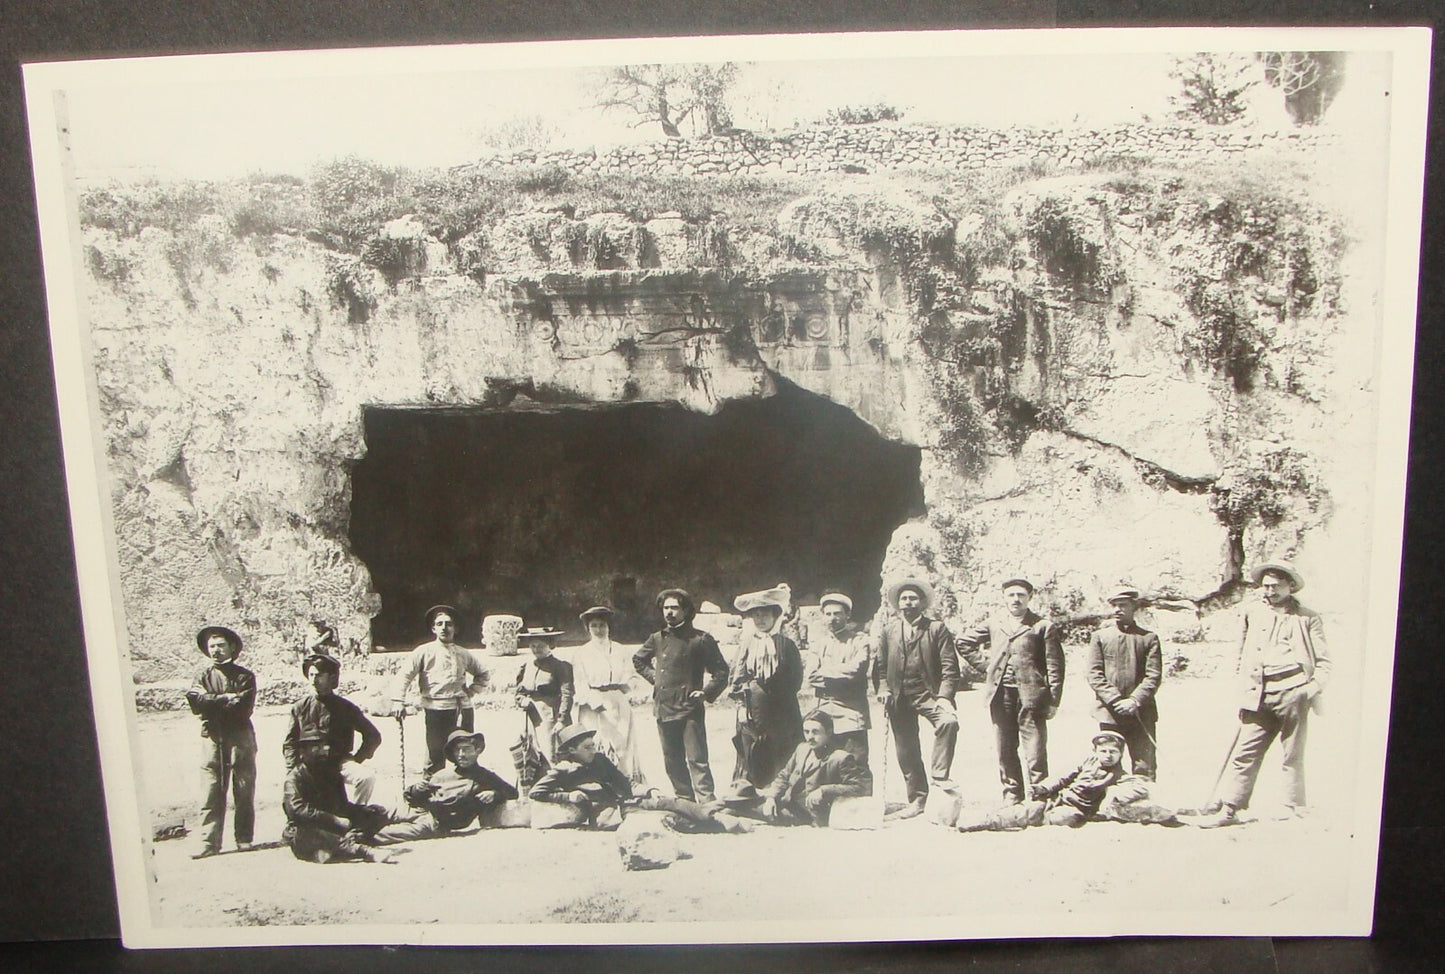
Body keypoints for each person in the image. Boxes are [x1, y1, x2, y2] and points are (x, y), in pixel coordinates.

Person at [1191, 561, 1331, 828]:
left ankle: (1293, 807)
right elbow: (1242, 654)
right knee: (1245, 752)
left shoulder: (1308, 617)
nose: (1269, 592)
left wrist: (1310, 689)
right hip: (1259, 694)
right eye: (1265, 586)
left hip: (1293, 693)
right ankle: (1230, 808)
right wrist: (1244, 694)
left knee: (1292, 753)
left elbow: (1324, 662)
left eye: (1276, 587)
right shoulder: (1252, 613)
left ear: (1290, 587)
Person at [957, 577, 1065, 806]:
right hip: (1000, 694)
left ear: (1029, 598)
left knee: (1035, 748)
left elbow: (1055, 665)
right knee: (1005, 747)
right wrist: (989, 667)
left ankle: (1040, 795)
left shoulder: (1043, 626)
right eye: (1011, 595)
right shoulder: (994, 624)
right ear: (1004, 598)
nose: (1016, 600)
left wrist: (1053, 700)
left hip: (1032, 696)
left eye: (1021, 595)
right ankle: (1012, 794)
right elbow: (964, 642)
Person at [529, 725, 749, 832]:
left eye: (593, 745)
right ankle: (720, 817)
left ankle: (718, 812)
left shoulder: (600, 760)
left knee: (668, 801)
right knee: (666, 817)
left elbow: (625, 783)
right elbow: (535, 792)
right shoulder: (563, 770)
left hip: (626, 802)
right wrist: (568, 796)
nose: (593, 750)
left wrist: (649, 790)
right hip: (608, 814)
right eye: (587, 747)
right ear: (572, 750)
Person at [872, 577, 960, 820]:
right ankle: (917, 800)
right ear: (897, 604)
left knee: (948, 723)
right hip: (899, 696)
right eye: (904, 599)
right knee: (907, 750)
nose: (908, 603)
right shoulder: (888, 631)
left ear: (922, 603)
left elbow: (950, 667)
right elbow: (880, 667)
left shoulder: (936, 629)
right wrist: (883, 689)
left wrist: (944, 697)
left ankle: (940, 777)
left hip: (928, 693)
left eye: (913, 598)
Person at [633, 588, 731, 803]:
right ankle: (685, 801)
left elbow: (722, 671)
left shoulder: (701, 639)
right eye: (666, 608)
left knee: (697, 759)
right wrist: (656, 680)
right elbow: (638, 660)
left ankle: (707, 803)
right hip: (664, 706)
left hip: (689, 707)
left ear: (686, 610)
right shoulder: (657, 638)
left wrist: (705, 692)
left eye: (675, 608)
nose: (669, 612)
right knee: (672, 759)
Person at [955, 730, 1152, 831]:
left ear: (1121, 754)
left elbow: (1139, 788)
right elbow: (1062, 777)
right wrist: (1043, 787)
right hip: (1058, 798)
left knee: (1062, 819)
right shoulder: (1086, 761)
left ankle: (1037, 820)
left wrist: (1113, 800)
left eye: (1113, 752)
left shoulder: (1120, 776)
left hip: (1077, 809)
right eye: (1103, 751)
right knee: (1025, 811)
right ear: (1095, 751)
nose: (1108, 756)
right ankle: (981, 822)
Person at [390, 605, 490, 777]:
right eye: (440, 624)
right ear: (433, 628)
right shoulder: (423, 652)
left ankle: (467, 791)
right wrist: (398, 701)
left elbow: (483, 674)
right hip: (436, 710)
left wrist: (471, 691)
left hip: (462, 709)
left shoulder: (463, 653)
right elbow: (404, 675)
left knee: (465, 752)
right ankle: (431, 793)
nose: (444, 627)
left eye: (449, 624)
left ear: (455, 628)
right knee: (435, 756)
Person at [185, 625, 257, 859]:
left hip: (240, 736)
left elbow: (242, 707)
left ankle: (244, 838)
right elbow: (196, 702)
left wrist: (211, 702)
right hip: (212, 737)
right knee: (211, 789)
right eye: (211, 646)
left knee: (243, 786)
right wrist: (225, 698)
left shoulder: (245, 677)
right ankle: (209, 843)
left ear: (232, 648)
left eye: (221, 645)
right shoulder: (202, 677)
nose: (216, 650)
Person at [373, 729, 519, 843]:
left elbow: (513, 792)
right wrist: (417, 789)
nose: (461, 754)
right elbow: (412, 799)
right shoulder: (442, 775)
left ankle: (355, 844)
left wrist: (495, 794)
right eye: (457, 750)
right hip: (417, 811)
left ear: (477, 750)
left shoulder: (484, 777)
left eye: (467, 749)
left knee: (381, 835)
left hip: (435, 825)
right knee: (374, 813)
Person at [281, 732, 406, 863]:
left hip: (333, 827)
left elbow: (342, 804)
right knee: (305, 834)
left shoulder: (330, 772)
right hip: (308, 829)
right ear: (303, 752)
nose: (323, 751)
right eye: (316, 747)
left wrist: (360, 812)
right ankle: (363, 851)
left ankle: (331, 851)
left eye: (324, 746)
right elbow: (297, 810)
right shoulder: (294, 778)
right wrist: (334, 820)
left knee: (369, 815)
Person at [726, 587, 805, 794]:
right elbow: (737, 677)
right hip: (754, 710)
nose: (760, 619)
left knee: (783, 751)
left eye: (765, 614)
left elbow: (796, 679)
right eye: (756, 615)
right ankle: (750, 796)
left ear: (775, 616)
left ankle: (783, 796)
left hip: (782, 711)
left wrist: (776, 693)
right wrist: (743, 704)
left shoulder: (786, 644)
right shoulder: (747, 644)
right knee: (753, 752)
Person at [282, 651, 383, 803]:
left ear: (332, 678)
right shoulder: (299, 707)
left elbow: (373, 736)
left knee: (366, 778)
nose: (314, 680)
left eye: (319, 676)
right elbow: (290, 743)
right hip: (309, 765)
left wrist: (357, 759)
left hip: (338, 763)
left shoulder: (346, 708)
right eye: (311, 675)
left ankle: (359, 814)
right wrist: (292, 769)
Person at [1085, 586, 1163, 780]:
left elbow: (1153, 676)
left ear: (1134, 607)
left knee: (1144, 764)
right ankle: (1112, 807)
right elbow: (1094, 674)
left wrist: (1134, 701)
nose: (1117, 610)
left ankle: (1145, 806)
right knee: (1109, 763)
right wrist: (1115, 700)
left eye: (1123, 605)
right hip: (1110, 713)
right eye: (1115, 605)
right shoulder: (1100, 637)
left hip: (1141, 712)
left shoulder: (1149, 638)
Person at [570, 606, 643, 783]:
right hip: (593, 703)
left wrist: (624, 690)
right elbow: (579, 682)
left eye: (602, 625)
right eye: (594, 626)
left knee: (622, 743)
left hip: (617, 700)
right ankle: (601, 782)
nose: (599, 630)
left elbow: (631, 675)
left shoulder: (620, 650)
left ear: (608, 627)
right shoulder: (581, 653)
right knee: (598, 743)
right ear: (588, 628)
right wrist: (594, 701)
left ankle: (625, 782)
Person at [759, 711, 869, 827]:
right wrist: (771, 797)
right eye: (806, 732)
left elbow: (862, 787)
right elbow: (784, 776)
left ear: (829, 732)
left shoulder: (840, 758)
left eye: (815, 732)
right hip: (787, 803)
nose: (810, 737)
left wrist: (824, 790)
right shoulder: (802, 749)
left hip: (810, 814)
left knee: (743, 806)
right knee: (743, 790)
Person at [806, 591, 874, 776]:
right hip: (824, 712)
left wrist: (826, 673)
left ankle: (857, 803)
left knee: (855, 765)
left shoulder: (859, 640)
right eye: (828, 614)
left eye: (837, 613)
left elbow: (857, 669)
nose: (832, 618)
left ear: (847, 615)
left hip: (851, 711)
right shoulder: (819, 644)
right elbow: (811, 675)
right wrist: (841, 673)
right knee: (826, 766)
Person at [514, 627, 574, 763]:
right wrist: (521, 700)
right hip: (529, 716)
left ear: (550, 645)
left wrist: (562, 720)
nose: (536, 649)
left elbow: (567, 694)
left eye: (541, 645)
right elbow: (519, 691)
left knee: (551, 753)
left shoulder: (560, 666)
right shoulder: (526, 666)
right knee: (529, 752)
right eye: (533, 646)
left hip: (550, 716)